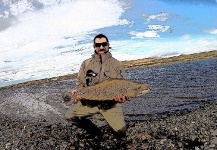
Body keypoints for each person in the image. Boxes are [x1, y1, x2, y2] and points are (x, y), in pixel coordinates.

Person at [64, 34, 130, 138]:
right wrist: (77, 93)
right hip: (89, 103)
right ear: (94, 46)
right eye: (98, 45)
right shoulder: (85, 64)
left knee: (121, 132)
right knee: (69, 116)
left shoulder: (117, 65)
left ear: (108, 45)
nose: (101, 47)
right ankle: (94, 131)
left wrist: (123, 98)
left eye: (104, 44)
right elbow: (81, 84)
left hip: (110, 105)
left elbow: (123, 86)